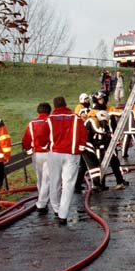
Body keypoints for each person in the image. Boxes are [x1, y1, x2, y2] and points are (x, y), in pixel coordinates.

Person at [47, 96, 87, 225]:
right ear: (66, 104)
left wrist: (45, 146)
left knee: (54, 181)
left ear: (54, 106)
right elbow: (83, 133)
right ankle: (63, 214)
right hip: (72, 154)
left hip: (55, 153)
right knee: (68, 184)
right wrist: (80, 148)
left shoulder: (50, 119)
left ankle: (56, 208)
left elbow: (42, 134)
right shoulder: (76, 118)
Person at [85, 91, 128, 191]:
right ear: (96, 100)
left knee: (115, 162)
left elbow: (120, 113)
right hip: (99, 143)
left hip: (110, 141)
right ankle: (100, 184)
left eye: (103, 99)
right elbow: (93, 128)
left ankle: (120, 181)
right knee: (101, 163)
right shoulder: (92, 114)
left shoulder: (109, 109)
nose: (102, 101)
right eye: (100, 99)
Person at [22, 102, 52, 214]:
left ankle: (41, 198)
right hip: (49, 153)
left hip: (37, 154)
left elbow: (26, 139)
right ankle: (43, 202)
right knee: (47, 179)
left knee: (39, 178)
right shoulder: (51, 122)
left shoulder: (32, 123)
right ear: (49, 111)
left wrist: (29, 150)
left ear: (38, 111)